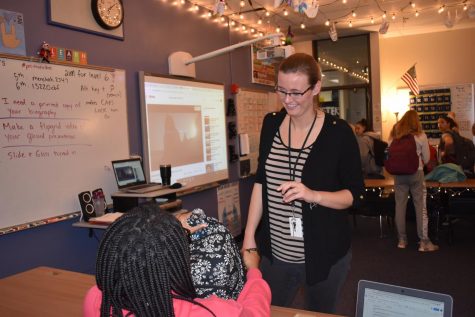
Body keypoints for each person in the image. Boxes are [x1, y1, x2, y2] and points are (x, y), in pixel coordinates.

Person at [241, 53, 364, 314]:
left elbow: (354, 195)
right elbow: (261, 183)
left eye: (296, 92)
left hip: (324, 255)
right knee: (267, 310)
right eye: (282, 91)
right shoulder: (271, 124)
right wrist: (249, 235)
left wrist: (313, 195)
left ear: (316, 87)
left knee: (318, 312)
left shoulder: (338, 132)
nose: (288, 100)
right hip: (275, 255)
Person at [83, 204, 271, 317]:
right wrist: (253, 271)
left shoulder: (97, 300)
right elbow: (255, 311)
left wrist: (168, 232)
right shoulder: (208, 312)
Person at [390, 110, 439, 252]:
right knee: (420, 207)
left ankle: (402, 240)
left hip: (398, 175)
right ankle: (424, 242)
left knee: (399, 206)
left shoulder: (395, 135)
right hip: (416, 173)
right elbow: (428, 158)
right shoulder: (421, 136)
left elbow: (389, 152)